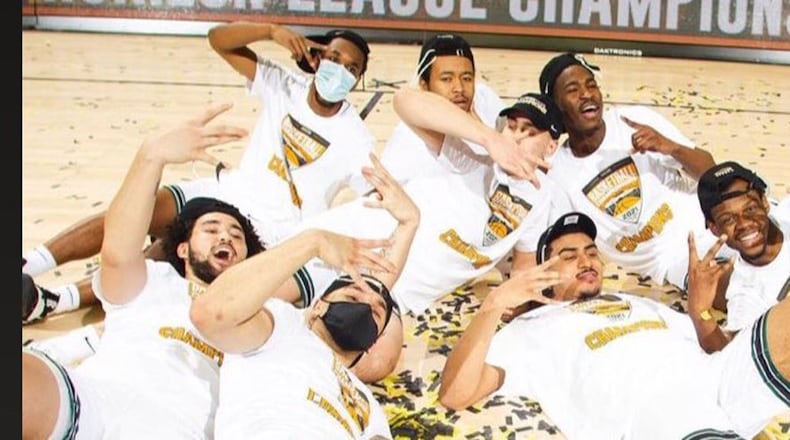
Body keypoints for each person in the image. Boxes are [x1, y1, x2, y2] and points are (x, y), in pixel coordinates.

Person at [22, 22, 376, 323]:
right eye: (334, 58)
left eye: (352, 68)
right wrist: (271, 31)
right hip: (230, 190)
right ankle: (30, 262)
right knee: (136, 210)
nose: (340, 71)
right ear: (316, 57)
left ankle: (54, 301)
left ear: (357, 80)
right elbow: (219, 40)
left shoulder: (357, 140)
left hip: (273, 228)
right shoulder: (284, 86)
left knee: (163, 256)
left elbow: (376, 200)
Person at [22, 104, 262, 439]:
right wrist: (152, 156)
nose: (225, 236)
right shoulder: (155, 281)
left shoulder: (261, 316)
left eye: (237, 235)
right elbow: (118, 252)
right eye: (211, 229)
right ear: (182, 249)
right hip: (91, 407)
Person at [440, 211, 790, 439]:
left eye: (592, 252)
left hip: (719, 380)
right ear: (543, 274)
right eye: (568, 255)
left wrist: (700, 310)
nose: (586, 260)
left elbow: (720, 349)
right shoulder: (529, 329)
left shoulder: (638, 302)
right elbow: (456, 393)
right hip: (657, 413)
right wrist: (494, 303)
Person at [189, 152, 420, 439]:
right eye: (353, 297)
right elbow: (210, 314)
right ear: (318, 306)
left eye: (376, 312)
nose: (368, 303)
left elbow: (378, 287)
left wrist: (410, 222)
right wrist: (314, 241)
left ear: (373, 342)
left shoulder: (368, 405)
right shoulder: (284, 327)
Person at [538, 52, 730, 292]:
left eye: (591, 84)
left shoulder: (633, 120)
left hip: (709, 221)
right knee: (727, 288)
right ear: (556, 107)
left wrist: (671, 147)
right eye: (573, 89)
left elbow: (711, 172)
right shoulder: (557, 172)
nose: (587, 94)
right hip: (669, 261)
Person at [688, 161, 790, 353]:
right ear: (715, 228)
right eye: (729, 219)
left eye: (750, 209)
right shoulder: (746, 294)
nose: (744, 224)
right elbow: (733, 358)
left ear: (765, 203)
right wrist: (699, 313)